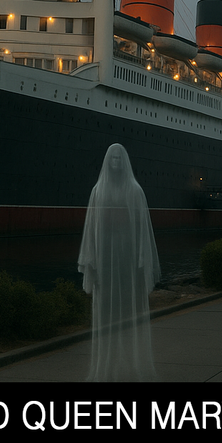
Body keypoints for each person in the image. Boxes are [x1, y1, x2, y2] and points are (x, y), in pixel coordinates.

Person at [77, 143, 160, 381]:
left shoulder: (134, 191)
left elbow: (142, 230)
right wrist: (91, 261)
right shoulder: (98, 191)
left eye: (118, 159)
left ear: (124, 162)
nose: (115, 162)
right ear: (107, 161)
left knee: (127, 313)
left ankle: (131, 365)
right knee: (106, 315)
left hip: (127, 262)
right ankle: (108, 366)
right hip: (104, 262)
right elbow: (92, 228)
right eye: (111, 158)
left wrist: (142, 260)